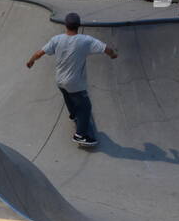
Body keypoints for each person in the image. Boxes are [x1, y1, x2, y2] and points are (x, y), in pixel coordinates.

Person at [25, 11, 119, 148]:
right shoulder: (86, 40)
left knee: (67, 96)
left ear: (65, 25)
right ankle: (80, 135)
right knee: (86, 108)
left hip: (59, 80)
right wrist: (113, 55)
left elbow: (40, 53)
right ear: (79, 26)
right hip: (75, 83)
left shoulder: (56, 39)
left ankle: (74, 115)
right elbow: (106, 49)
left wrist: (31, 61)